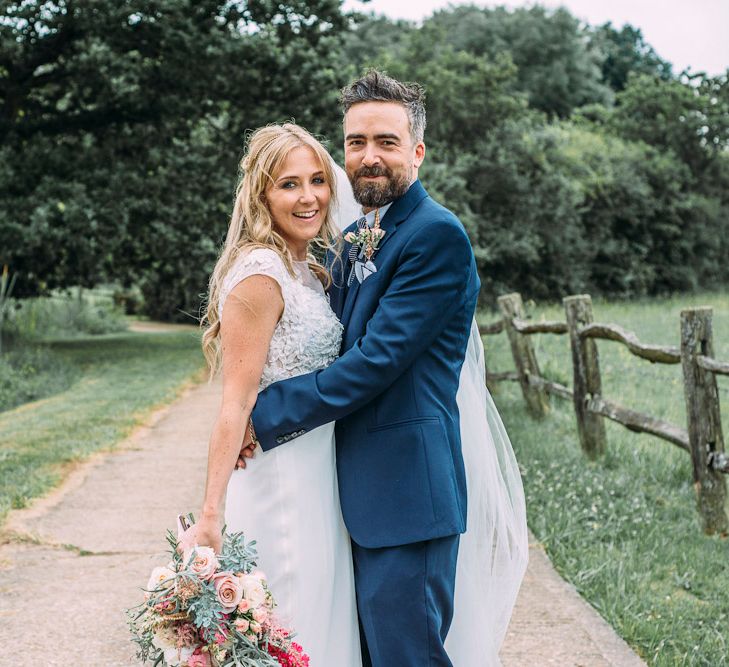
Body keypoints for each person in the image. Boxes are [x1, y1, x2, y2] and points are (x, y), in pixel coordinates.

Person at [181, 70, 528, 667]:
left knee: (406, 656)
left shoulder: (435, 236)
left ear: (417, 151)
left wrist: (263, 414)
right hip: (346, 494)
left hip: (405, 495)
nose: (368, 158)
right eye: (356, 142)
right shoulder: (359, 236)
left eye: (386, 142)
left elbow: (374, 363)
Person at [177, 123, 362, 665]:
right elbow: (234, 402)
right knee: (289, 621)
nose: (308, 197)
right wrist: (211, 514)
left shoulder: (308, 272)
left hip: (319, 478)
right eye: (288, 184)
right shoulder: (260, 275)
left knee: (319, 622)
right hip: (278, 480)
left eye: (317, 181)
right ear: (262, 194)